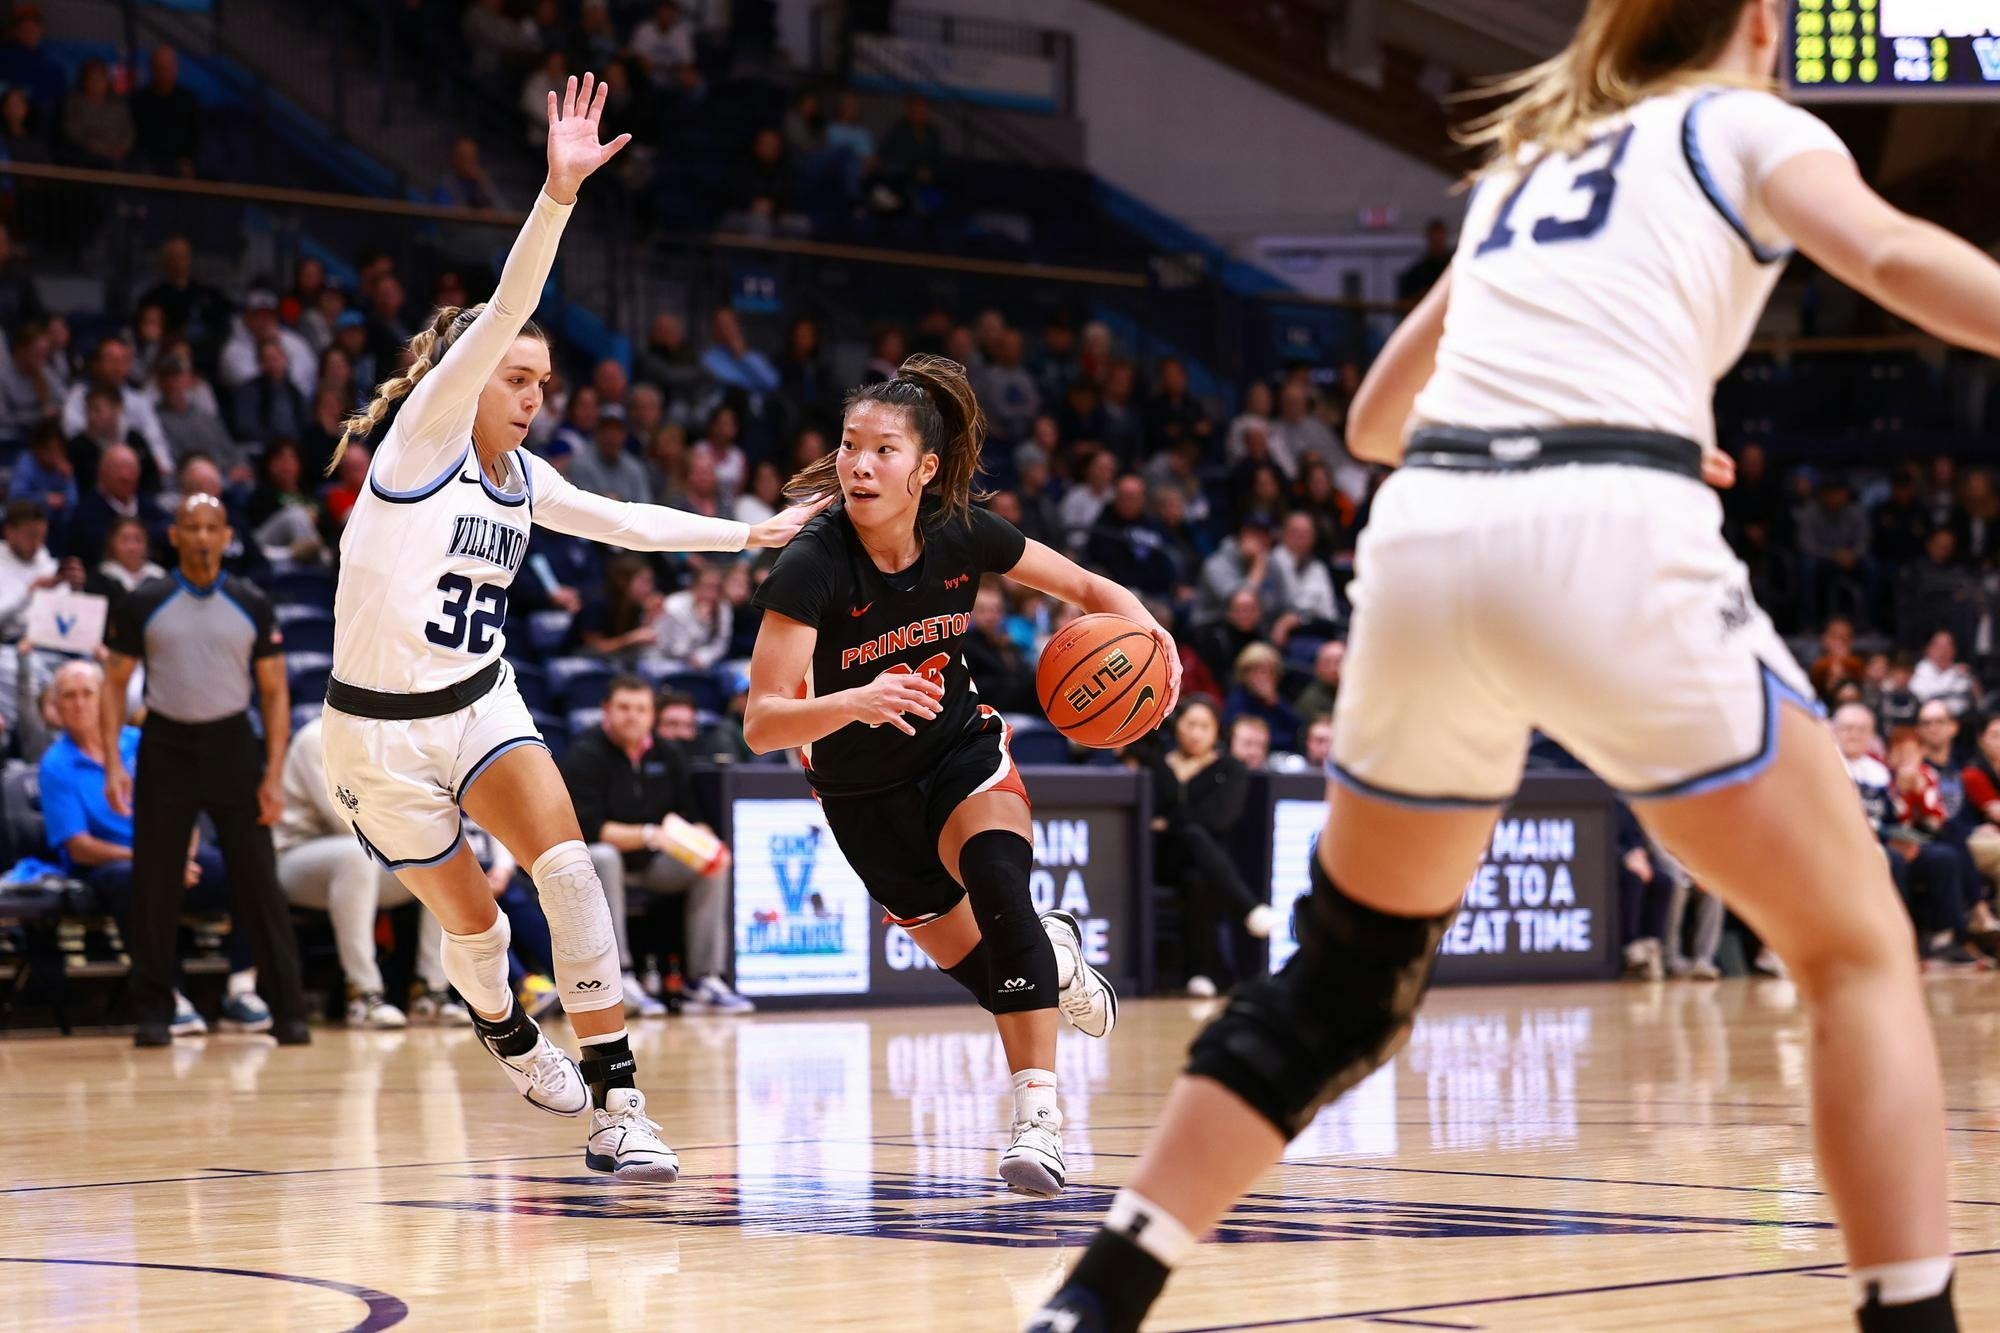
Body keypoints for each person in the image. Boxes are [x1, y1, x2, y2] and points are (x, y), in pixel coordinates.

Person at [1033, 1, 1973, 1327]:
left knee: (1350, 979)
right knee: (1857, 950)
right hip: (1604, 535)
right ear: (1762, 22)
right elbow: (1888, 250)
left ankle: (1092, 1300)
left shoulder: (1535, 161)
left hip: (1426, 548)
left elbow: (1371, 423)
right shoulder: (1744, 121)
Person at [315, 75, 820, 1183]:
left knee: (571, 867)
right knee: (478, 933)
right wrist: (554, 197)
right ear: (466, 377)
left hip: (478, 699)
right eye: (517, 375)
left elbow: (627, 523)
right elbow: (502, 307)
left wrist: (749, 535)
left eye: (545, 379)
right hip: (374, 738)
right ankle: (503, 1032)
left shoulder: (518, 472)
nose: (535, 392)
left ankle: (620, 1104)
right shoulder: (419, 444)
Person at [744, 354, 1178, 1198]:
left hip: (958, 751)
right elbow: (760, 721)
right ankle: (1054, 959)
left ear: (926, 468)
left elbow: (1085, 586)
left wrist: (1155, 641)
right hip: (858, 790)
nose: (860, 465)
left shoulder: (961, 530)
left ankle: (1038, 1119)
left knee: (999, 885)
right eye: (848, 446)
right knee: (991, 969)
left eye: (884, 450)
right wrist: (855, 699)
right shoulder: (812, 564)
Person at [100, 494, 309, 1047]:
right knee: (155, 884)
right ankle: (154, 1011)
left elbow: (274, 693)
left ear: (225, 536)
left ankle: (289, 1009)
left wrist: (274, 774)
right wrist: (111, 763)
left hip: (233, 746)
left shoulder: (251, 602)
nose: (200, 537)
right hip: (165, 746)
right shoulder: (144, 600)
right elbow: (114, 683)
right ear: (174, 535)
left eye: (210, 528)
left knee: (259, 880)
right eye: (190, 527)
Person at [39, 658, 263, 1036]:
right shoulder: (56, 765)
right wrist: (157, 861)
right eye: (68, 696)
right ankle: (169, 997)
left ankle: (242, 989)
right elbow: (79, 847)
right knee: (135, 880)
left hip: (174, 853)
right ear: (56, 708)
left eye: (87, 694)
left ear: (106, 699)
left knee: (249, 868)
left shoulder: (141, 743)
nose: (78, 704)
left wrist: (179, 856)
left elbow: (188, 808)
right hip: (109, 864)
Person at [559, 676, 749, 1017]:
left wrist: (708, 845)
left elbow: (691, 815)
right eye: (624, 708)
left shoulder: (667, 753)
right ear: (606, 711)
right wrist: (649, 834)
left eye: (641, 709)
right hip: (598, 869)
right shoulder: (584, 754)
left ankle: (703, 980)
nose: (632, 716)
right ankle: (621, 977)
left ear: (651, 715)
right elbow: (592, 829)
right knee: (605, 856)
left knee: (710, 865)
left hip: (653, 865)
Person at [276, 716, 463, 1028]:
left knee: (438, 857)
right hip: (296, 859)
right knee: (355, 855)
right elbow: (345, 821)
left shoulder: (386, 740)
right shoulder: (315, 738)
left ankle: (431, 992)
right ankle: (364, 994)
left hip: (370, 856)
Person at [1151, 699, 1274, 998]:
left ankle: (1200, 974)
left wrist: (1169, 821)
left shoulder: (1230, 768)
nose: (1196, 733)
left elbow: (1221, 818)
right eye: (1190, 724)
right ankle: (1249, 907)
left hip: (1204, 863)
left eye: (1204, 726)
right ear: (1177, 725)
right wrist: (1175, 824)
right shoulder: (1157, 762)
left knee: (1199, 877)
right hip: (1159, 857)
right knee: (1194, 833)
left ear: (1216, 731)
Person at [131, 45, 201, 177]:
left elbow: (195, 133)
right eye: (160, 68)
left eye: (168, 68)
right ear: (152, 69)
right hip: (150, 161)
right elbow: (138, 138)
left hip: (182, 161)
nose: (165, 73)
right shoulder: (139, 100)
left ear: (176, 69)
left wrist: (187, 159)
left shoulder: (189, 99)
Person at [0, 498, 57, 641]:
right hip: (10, 642)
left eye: (42, 537)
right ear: (9, 531)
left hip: (51, 639)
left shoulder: (47, 562)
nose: (37, 544)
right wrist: (29, 593)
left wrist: (75, 589)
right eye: (31, 536)